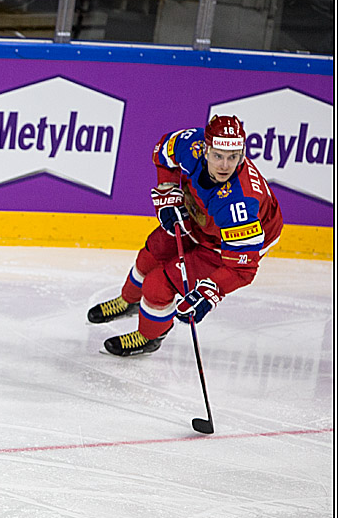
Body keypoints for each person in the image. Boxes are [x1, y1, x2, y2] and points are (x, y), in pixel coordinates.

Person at [88, 115, 283, 356]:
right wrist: (167, 190)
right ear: (205, 149)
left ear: (242, 155)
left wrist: (210, 292)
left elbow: (242, 269)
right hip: (202, 217)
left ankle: (149, 336)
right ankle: (129, 300)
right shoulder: (191, 144)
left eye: (233, 157)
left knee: (158, 285)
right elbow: (163, 152)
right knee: (153, 250)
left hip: (226, 245)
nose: (224, 166)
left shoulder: (240, 205)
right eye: (218, 156)